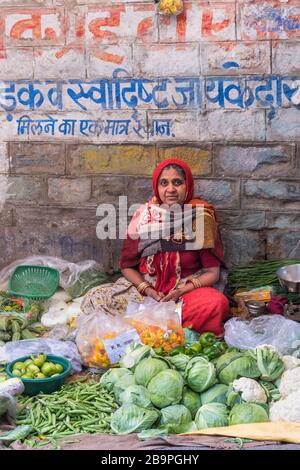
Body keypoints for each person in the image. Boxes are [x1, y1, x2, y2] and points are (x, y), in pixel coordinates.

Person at [82, 158, 229, 336]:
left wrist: (182, 290)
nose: (170, 189)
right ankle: (163, 329)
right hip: (146, 294)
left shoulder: (200, 216)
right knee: (96, 298)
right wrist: (148, 289)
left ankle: (140, 330)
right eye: (164, 183)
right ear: (157, 187)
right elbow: (127, 266)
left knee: (215, 303)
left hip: (183, 296)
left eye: (177, 182)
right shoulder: (144, 216)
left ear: (187, 185)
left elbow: (212, 272)